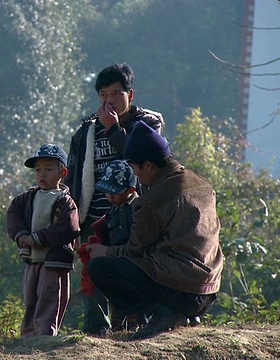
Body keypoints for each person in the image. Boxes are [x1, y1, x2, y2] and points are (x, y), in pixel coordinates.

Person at [85, 121, 224, 340]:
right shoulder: (203, 185)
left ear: (148, 165)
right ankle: (179, 313)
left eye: (135, 170)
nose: (137, 177)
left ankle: (163, 313)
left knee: (99, 268)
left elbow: (134, 250)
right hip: (208, 290)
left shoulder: (151, 201)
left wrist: (105, 251)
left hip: (179, 288)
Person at [64, 62, 164, 335]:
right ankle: (96, 334)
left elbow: (142, 160)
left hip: (135, 217)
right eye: (103, 94)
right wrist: (72, 222)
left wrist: (113, 129)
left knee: (130, 269)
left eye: (116, 93)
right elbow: (73, 177)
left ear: (130, 95)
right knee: (92, 274)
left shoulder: (146, 124)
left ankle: (132, 327)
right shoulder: (86, 130)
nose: (109, 100)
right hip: (96, 218)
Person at [7, 143, 80, 337]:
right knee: (30, 297)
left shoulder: (65, 201)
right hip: (33, 259)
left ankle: (45, 335)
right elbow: (13, 214)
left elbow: (69, 228)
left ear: (62, 172)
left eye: (48, 169)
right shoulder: (27, 198)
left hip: (53, 261)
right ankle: (29, 335)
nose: (42, 174)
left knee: (49, 297)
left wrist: (39, 238)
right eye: (38, 170)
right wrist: (21, 235)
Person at [77, 159, 138, 331]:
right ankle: (99, 329)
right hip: (115, 263)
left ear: (130, 190)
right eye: (107, 191)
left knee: (131, 316)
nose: (109, 196)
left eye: (114, 192)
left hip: (133, 266)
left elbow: (138, 246)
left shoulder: (138, 210)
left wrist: (106, 251)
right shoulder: (113, 210)